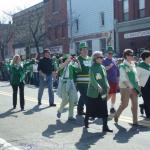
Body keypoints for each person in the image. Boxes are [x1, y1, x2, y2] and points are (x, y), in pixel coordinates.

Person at [84, 51, 113, 132]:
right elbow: (92, 79)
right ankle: (86, 120)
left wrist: (107, 85)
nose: (101, 58)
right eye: (99, 57)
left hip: (103, 92)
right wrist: (97, 86)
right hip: (93, 92)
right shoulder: (92, 67)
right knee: (90, 109)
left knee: (104, 109)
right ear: (95, 59)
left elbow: (105, 78)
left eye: (102, 57)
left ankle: (105, 127)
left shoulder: (102, 67)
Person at [114, 49, 141, 125]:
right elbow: (123, 78)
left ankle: (135, 122)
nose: (132, 56)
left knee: (135, 105)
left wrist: (138, 84)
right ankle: (116, 115)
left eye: (132, 54)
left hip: (134, 87)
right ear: (126, 56)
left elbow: (135, 76)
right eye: (130, 55)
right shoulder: (122, 66)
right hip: (125, 88)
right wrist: (130, 86)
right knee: (124, 104)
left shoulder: (133, 64)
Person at [57, 55, 81, 121]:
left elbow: (79, 69)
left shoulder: (71, 65)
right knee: (65, 99)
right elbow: (59, 69)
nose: (70, 59)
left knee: (72, 100)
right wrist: (66, 62)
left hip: (71, 82)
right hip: (64, 83)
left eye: (70, 58)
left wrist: (78, 61)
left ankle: (70, 116)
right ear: (65, 60)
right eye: (68, 58)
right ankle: (59, 110)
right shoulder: (61, 65)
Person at [76, 42, 91, 115]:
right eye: (83, 49)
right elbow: (75, 70)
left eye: (86, 49)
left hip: (88, 82)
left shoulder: (90, 58)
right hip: (80, 82)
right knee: (86, 97)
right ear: (80, 50)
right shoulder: (77, 59)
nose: (85, 50)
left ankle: (79, 110)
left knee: (83, 96)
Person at [103, 46, 119, 114]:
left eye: (111, 53)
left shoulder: (114, 60)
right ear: (106, 53)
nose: (110, 54)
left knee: (114, 94)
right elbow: (103, 69)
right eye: (109, 53)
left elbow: (117, 70)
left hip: (115, 80)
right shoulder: (104, 60)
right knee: (109, 94)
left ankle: (112, 107)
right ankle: (102, 106)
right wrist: (109, 66)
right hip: (108, 80)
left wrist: (118, 79)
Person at [137, 50, 150, 118]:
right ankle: (148, 114)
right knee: (147, 100)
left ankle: (142, 106)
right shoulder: (140, 66)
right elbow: (136, 77)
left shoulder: (149, 65)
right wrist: (138, 87)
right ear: (146, 57)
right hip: (144, 86)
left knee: (147, 100)